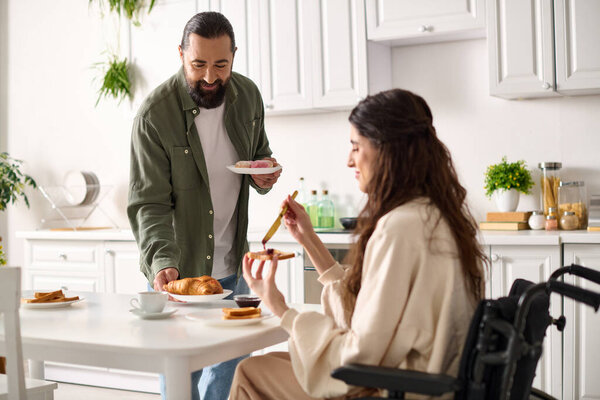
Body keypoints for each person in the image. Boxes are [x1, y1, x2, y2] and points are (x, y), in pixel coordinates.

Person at [230, 89, 487, 399]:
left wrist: (281, 309)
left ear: (388, 150)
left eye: (356, 146)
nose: (349, 159)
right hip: (428, 383)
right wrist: (309, 240)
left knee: (250, 372)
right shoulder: (436, 215)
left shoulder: (400, 228)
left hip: (398, 389)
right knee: (268, 367)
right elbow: (374, 308)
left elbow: (360, 356)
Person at [127, 11, 281, 400]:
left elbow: (259, 155)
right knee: (182, 381)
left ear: (234, 58)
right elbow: (149, 203)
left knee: (228, 381)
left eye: (220, 65)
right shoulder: (154, 116)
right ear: (181, 55)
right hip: (179, 274)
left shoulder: (248, 96)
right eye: (198, 64)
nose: (210, 77)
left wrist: (263, 174)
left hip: (234, 269)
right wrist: (163, 261)